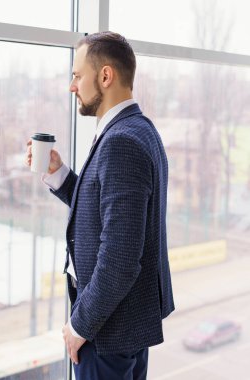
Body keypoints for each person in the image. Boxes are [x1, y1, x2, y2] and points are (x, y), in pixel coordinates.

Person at [26, 31, 175, 380]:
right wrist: (59, 174)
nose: (72, 86)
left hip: (107, 329)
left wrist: (79, 325)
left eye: (78, 76)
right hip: (124, 324)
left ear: (105, 76)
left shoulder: (121, 141)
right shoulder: (140, 130)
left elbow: (120, 260)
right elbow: (106, 212)